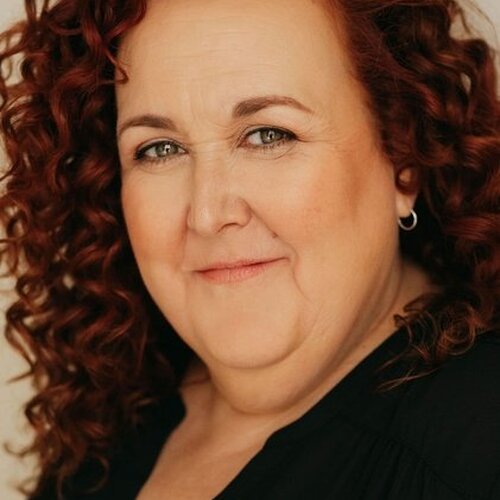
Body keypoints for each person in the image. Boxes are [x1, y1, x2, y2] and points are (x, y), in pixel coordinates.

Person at [0, 0, 498, 498]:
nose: (208, 214)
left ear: (403, 157)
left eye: (268, 135)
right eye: (160, 148)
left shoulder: (475, 450)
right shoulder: (114, 416)